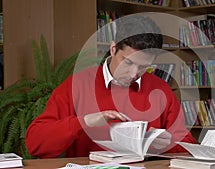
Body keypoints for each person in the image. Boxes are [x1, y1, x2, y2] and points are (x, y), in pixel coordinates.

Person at [25, 14, 196, 158]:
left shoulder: (160, 89)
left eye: (143, 67)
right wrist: (84, 122)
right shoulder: (77, 85)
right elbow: (35, 142)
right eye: (127, 62)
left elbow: (188, 144)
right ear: (113, 49)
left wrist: (168, 143)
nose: (133, 74)